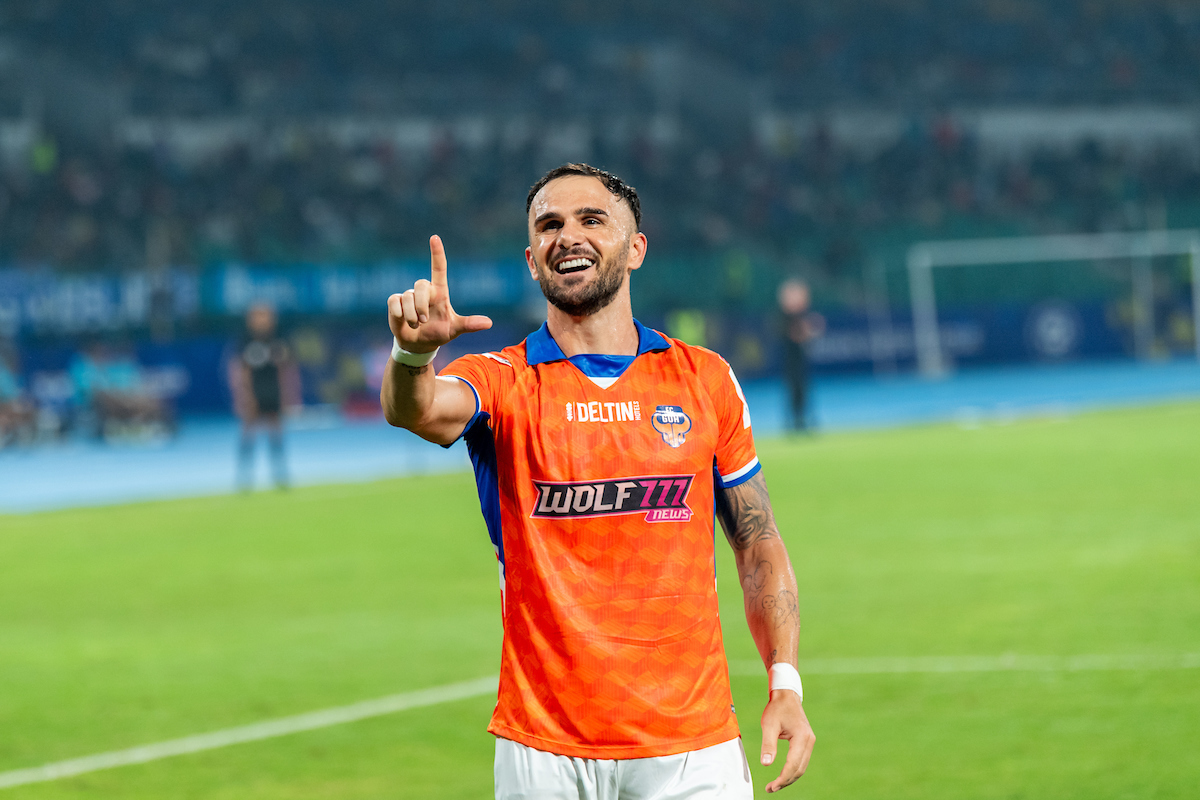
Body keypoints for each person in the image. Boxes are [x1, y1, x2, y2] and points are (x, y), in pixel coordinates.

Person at [382, 163, 815, 798]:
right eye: (549, 225)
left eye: (592, 219)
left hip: (693, 746)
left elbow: (757, 541)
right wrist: (414, 354)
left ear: (635, 248)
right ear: (533, 262)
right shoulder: (502, 380)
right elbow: (414, 409)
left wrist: (786, 684)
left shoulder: (704, 379)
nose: (568, 236)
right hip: (546, 749)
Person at [229, 304, 297, 490]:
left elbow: (286, 369)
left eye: (266, 316)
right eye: (258, 316)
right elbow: (240, 370)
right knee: (248, 433)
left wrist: (287, 395)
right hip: (253, 391)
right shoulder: (245, 339)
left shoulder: (279, 338)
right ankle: (244, 478)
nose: (262, 320)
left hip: (273, 391)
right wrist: (244, 396)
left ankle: (280, 476)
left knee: (276, 432)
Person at [777, 279, 825, 433]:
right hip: (790, 360)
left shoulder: (801, 316)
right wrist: (808, 332)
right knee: (794, 389)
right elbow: (794, 336)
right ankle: (795, 421)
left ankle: (803, 419)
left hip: (800, 359)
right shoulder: (784, 317)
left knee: (804, 389)